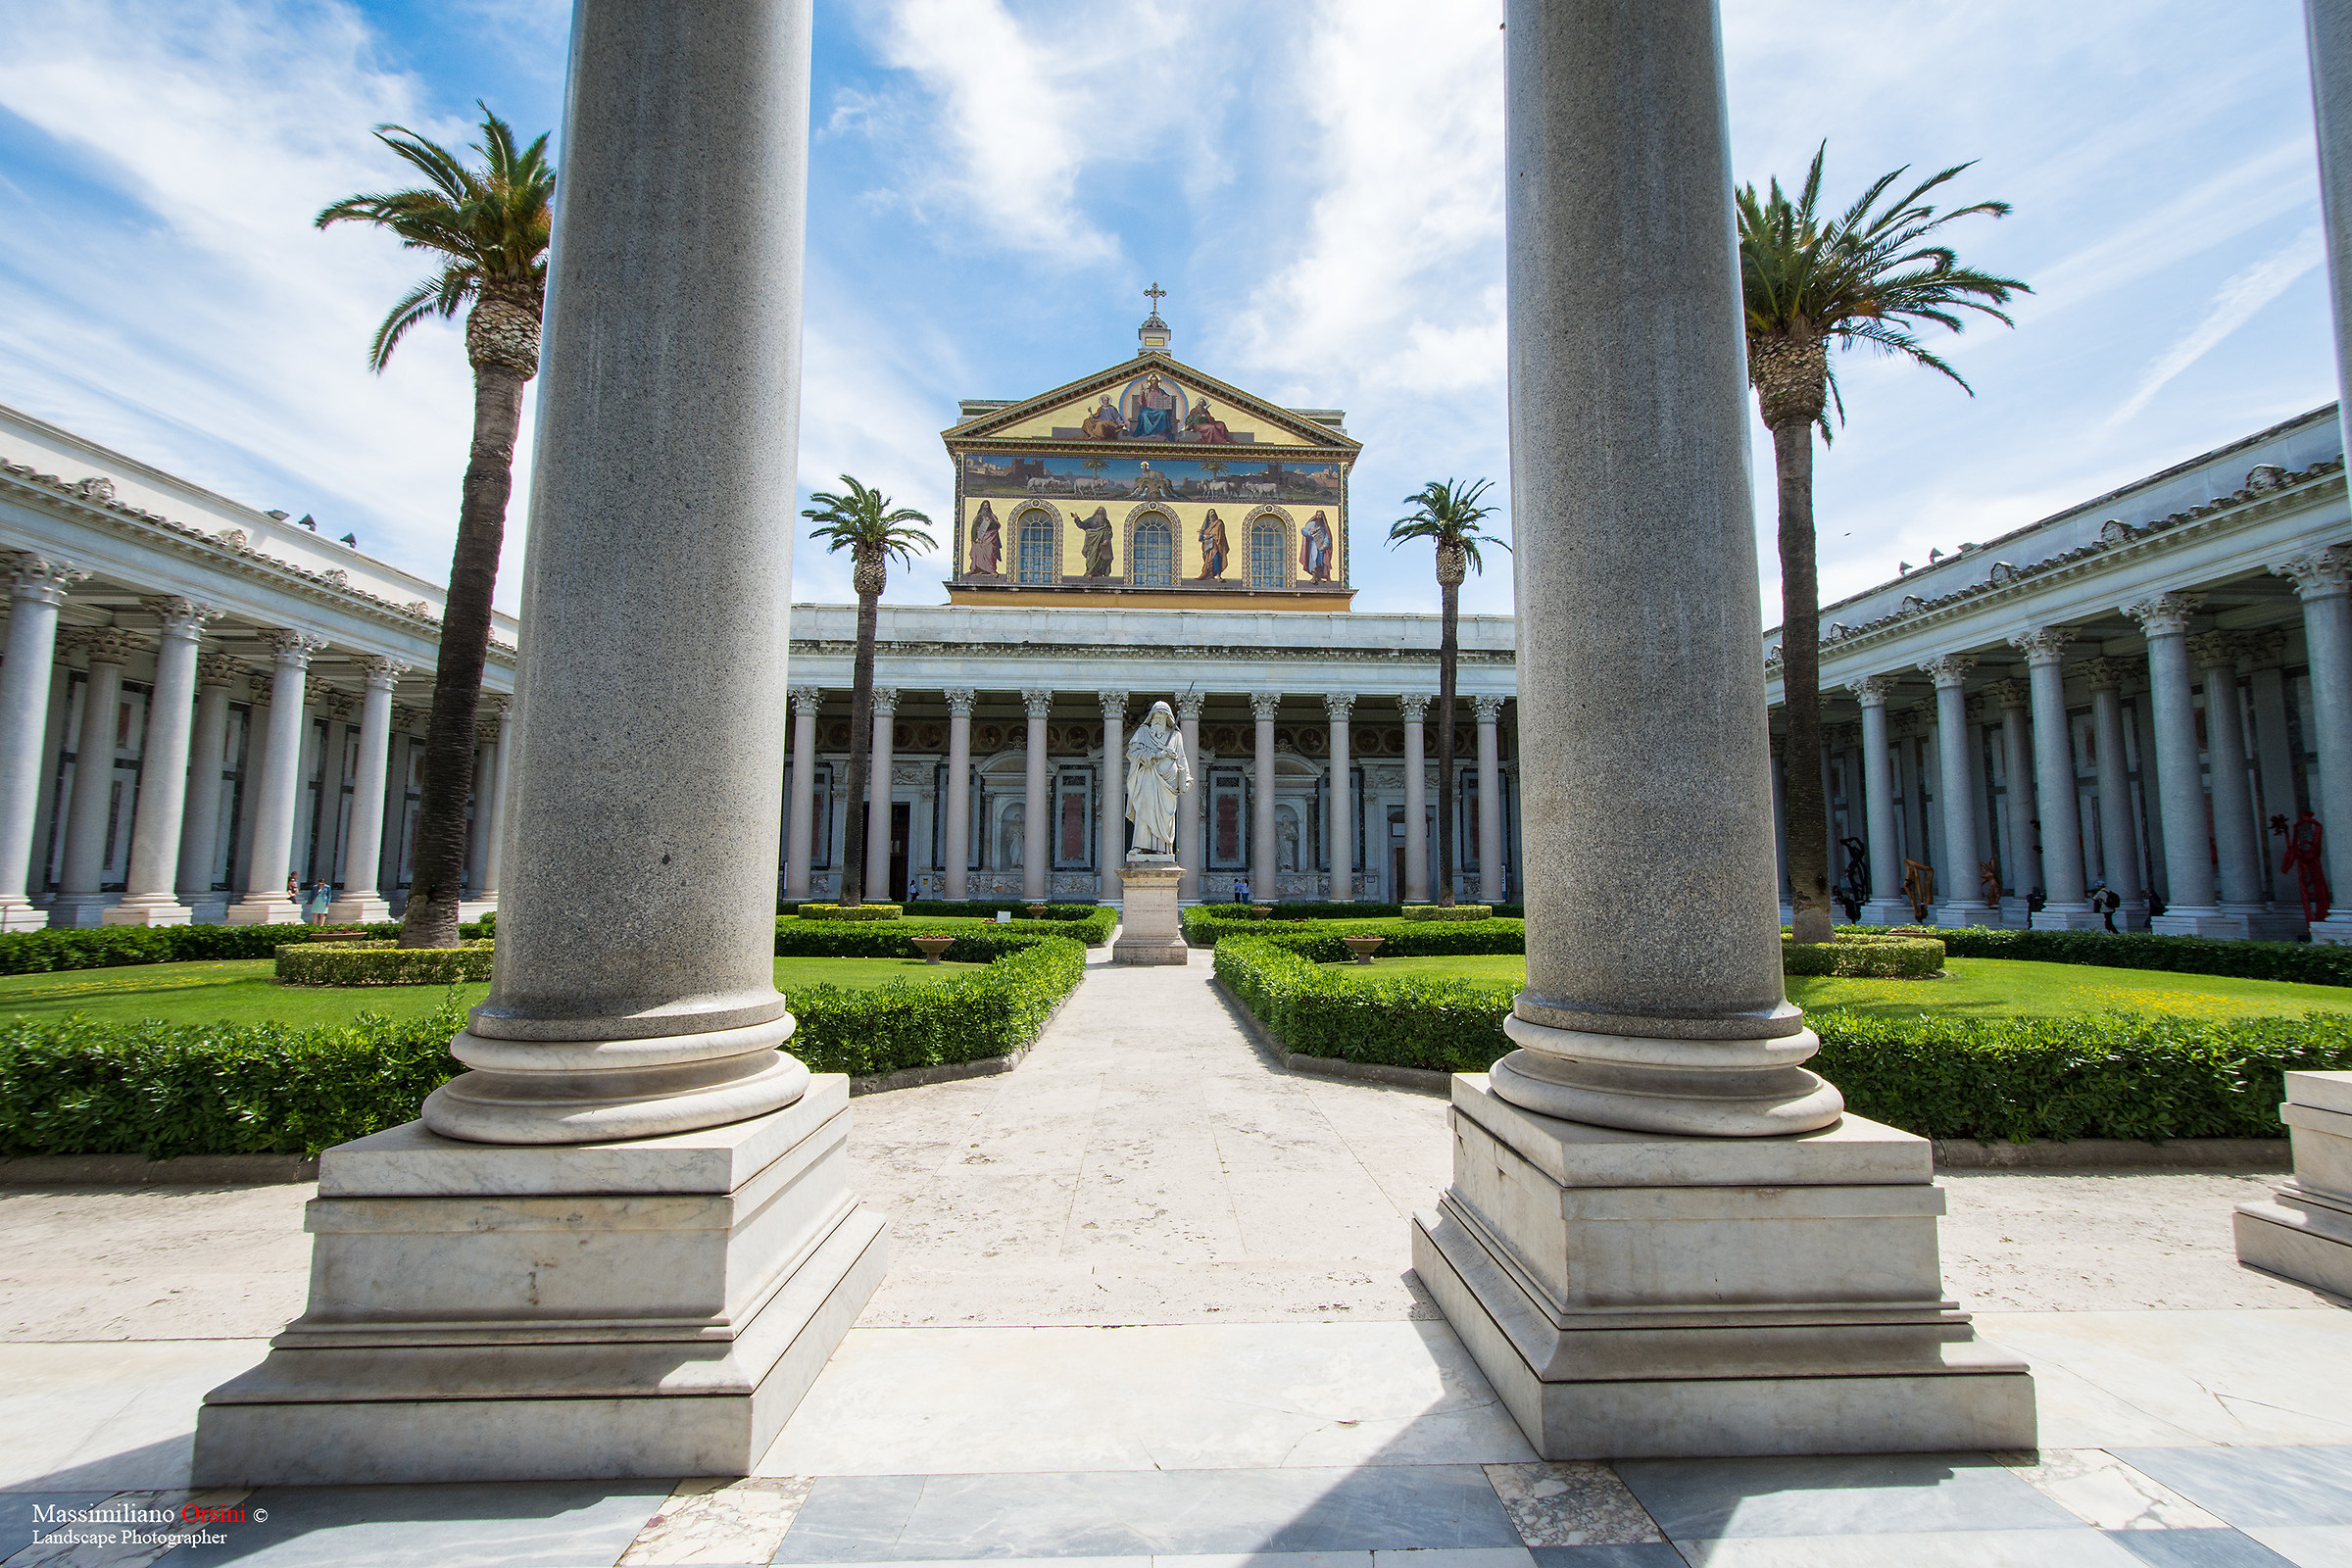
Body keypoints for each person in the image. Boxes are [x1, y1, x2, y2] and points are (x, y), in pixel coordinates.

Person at [1123, 701, 1193, 856]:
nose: (1158, 720)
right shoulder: (1143, 733)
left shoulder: (1175, 736)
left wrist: (1187, 777)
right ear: (1151, 717)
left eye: (1162, 717)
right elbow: (1134, 754)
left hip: (1167, 784)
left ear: (1168, 718)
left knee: (1165, 817)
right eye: (1156, 716)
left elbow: (1182, 758)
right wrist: (1156, 755)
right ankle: (1139, 846)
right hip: (1147, 778)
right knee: (1144, 810)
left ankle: (1162, 849)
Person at [1076, 507, 1115, 577]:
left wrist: (1106, 539)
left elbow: (1109, 532)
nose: (1100, 512)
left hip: (1101, 545)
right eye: (1099, 511)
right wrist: (1077, 519)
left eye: (1101, 511)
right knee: (1091, 558)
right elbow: (1082, 525)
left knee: (1101, 559)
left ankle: (1098, 573)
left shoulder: (1106, 522)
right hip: (1092, 544)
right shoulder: (1090, 520)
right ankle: (1090, 572)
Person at [1298, 511, 1334, 582]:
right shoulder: (1312, 524)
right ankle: (1314, 576)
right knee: (1314, 559)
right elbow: (1303, 530)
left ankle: (1319, 576)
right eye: (1317, 515)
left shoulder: (1324, 527)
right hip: (1314, 545)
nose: (1318, 517)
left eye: (1320, 515)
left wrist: (1325, 544)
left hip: (1321, 547)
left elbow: (1327, 537)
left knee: (1321, 562)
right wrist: (1310, 532)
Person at [968, 502, 1003, 576]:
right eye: (984, 506)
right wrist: (975, 538)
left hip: (990, 539)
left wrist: (990, 521)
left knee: (990, 553)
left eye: (987, 505)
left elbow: (997, 526)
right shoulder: (979, 517)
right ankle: (979, 569)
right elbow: (974, 528)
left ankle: (991, 570)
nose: (986, 507)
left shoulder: (992, 517)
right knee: (978, 552)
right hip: (980, 539)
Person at [1198, 510, 1230, 579]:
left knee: (1216, 558)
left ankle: (1218, 575)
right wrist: (1204, 536)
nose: (1212, 514)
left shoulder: (1219, 523)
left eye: (1213, 512)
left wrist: (1211, 536)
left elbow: (1220, 534)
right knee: (1208, 561)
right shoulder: (1207, 525)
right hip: (1208, 546)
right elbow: (1201, 536)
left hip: (1216, 545)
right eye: (1210, 513)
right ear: (1208, 515)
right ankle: (1210, 574)